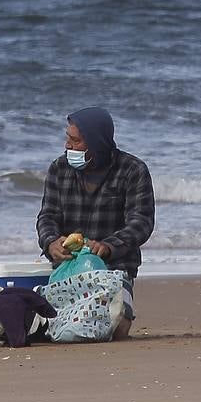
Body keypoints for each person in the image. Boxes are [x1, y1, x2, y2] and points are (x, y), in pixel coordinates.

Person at [36, 107, 155, 340]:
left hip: (115, 270)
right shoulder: (59, 169)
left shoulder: (133, 170)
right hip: (67, 272)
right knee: (55, 330)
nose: (68, 146)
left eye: (76, 141)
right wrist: (51, 242)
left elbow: (141, 222)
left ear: (95, 142)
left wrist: (108, 246)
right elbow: (47, 216)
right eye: (67, 138)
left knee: (116, 328)